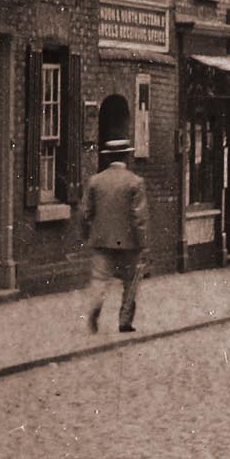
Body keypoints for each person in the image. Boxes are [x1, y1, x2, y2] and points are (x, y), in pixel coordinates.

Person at [81, 138, 148, 333]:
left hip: (101, 240)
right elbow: (139, 217)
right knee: (130, 283)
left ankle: (95, 308)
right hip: (129, 243)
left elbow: (85, 212)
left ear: (108, 157)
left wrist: (87, 235)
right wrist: (143, 245)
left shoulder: (95, 181)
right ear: (126, 156)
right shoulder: (135, 182)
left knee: (99, 280)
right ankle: (124, 322)